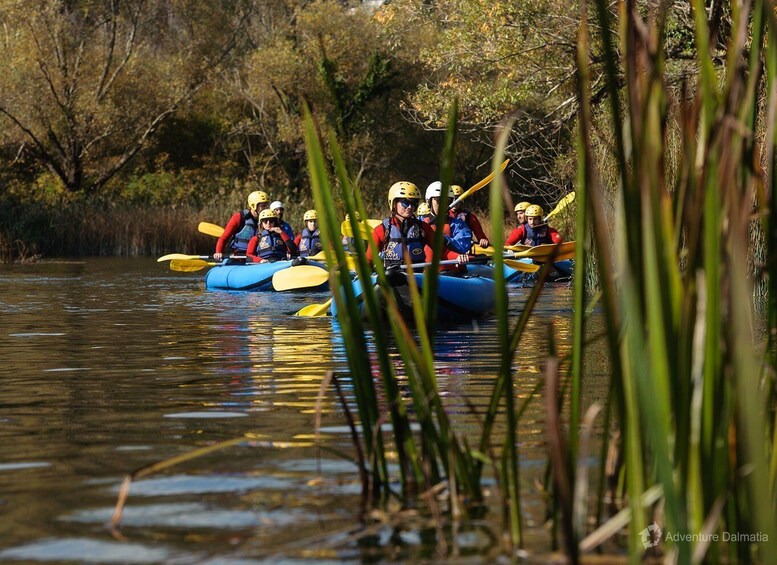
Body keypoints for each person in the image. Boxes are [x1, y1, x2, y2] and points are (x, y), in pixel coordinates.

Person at [423, 181, 473, 259]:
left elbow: (463, 246)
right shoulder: (420, 223)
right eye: (439, 200)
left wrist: (442, 239)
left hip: (450, 269)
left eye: (447, 201)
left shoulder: (458, 224)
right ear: (428, 201)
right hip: (425, 269)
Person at [214, 190, 268, 260]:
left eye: (266, 206)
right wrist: (218, 252)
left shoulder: (268, 220)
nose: (265, 209)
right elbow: (224, 238)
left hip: (259, 255)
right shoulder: (239, 217)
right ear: (253, 205)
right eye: (263, 206)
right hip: (240, 255)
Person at [449, 184, 490, 248]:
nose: (454, 202)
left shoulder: (470, 217)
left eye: (457, 199)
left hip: (465, 251)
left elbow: (482, 238)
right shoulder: (440, 216)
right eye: (451, 199)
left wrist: (483, 241)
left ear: (462, 200)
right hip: (446, 252)